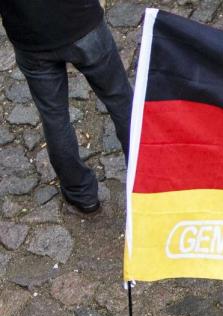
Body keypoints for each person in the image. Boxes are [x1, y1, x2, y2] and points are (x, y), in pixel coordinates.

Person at [0, 0, 133, 214]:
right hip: (81, 20)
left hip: (30, 36)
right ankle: (144, 175)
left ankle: (81, 193)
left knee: (54, 117)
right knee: (121, 101)